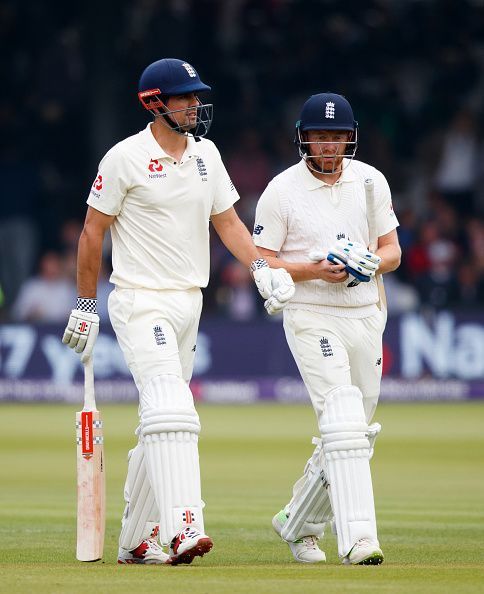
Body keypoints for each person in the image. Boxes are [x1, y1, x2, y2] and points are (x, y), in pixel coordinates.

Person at [62, 58, 295, 566]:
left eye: (196, 96)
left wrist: (262, 269)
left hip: (190, 302)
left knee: (159, 421)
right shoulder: (124, 158)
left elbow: (230, 224)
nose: (194, 104)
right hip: (140, 299)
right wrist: (84, 303)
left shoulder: (207, 154)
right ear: (155, 102)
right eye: (185, 96)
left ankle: (132, 540)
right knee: (172, 406)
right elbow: (92, 233)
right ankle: (184, 526)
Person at [252, 93, 401, 565]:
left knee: (357, 431)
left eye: (338, 136)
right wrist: (314, 270)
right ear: (305, 138)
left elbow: (392, 250)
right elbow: (261, 259)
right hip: (311, 311)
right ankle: (359, 540)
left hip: (365, 310)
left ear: (350, 137)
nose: (330, 145)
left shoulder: (371, 182)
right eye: (320, 136)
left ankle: (298, 522)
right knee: (341, 416)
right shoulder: (281, 190)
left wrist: (369, 263)